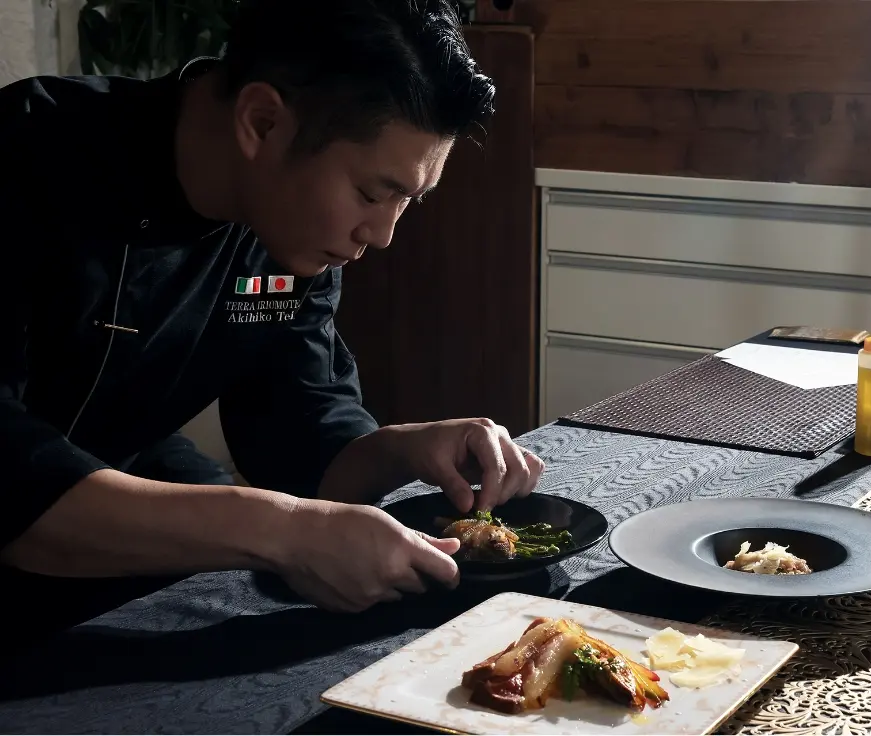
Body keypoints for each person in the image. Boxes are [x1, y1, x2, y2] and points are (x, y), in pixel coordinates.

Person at [0, 0, 543, 632]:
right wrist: (279, 529)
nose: (382, 235)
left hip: (131, 482)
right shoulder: (25, 152)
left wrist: (404, 450)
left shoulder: (286, 228)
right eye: (372, 193)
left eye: (407, 201)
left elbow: (301, 438)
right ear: (261, 122)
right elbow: (11, 478)